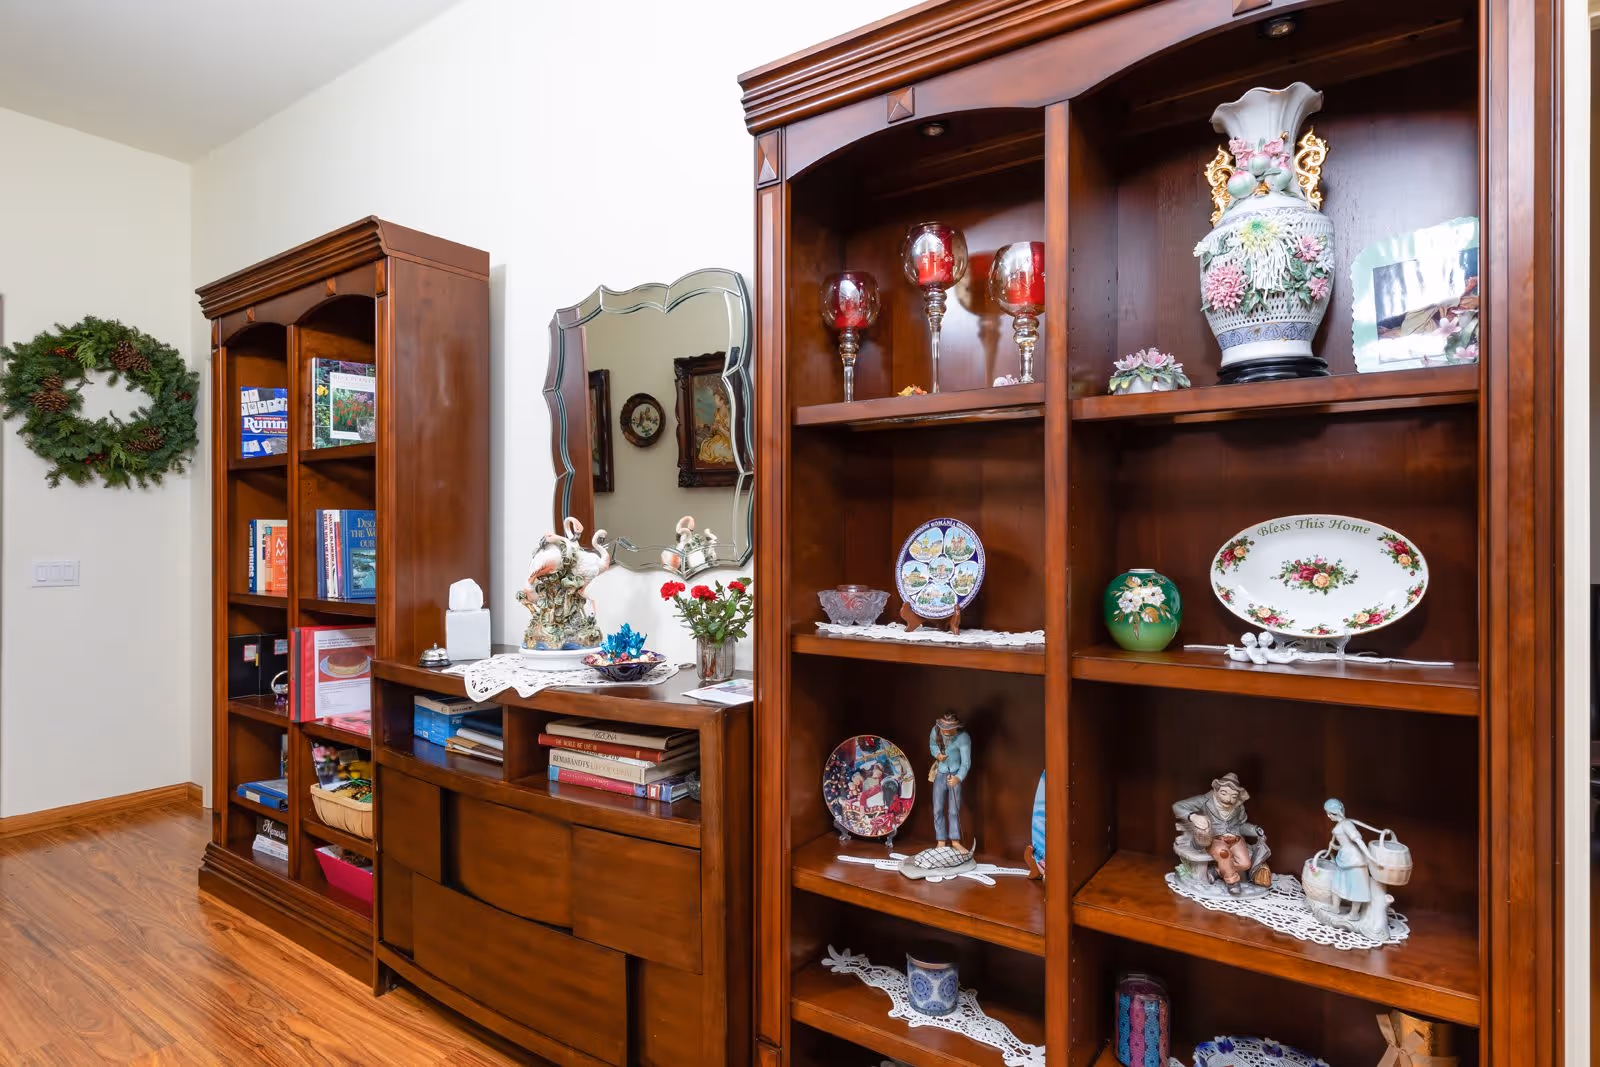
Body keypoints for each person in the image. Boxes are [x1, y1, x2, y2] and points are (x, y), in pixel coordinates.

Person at [1172, 772, 1270, 896]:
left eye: (1234, 796)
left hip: (1235, 839)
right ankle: (1232, 882)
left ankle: (1216, 872)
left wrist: (1255, 830)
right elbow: (1178, 806)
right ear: (1216, 790)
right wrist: (1193, 816)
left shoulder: (1238, 807)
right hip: (1214, 839)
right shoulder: (1205, 800)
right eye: (1224, 793)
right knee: (1224, 853)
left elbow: (1240, 826)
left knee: (1245, 863)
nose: (1229, 799)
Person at [928, 713, 971, 852]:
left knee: (954, 810)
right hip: (940, 774)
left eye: (949, 729)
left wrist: (958, 778)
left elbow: (966, 763)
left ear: (956, 727)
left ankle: (955, 840)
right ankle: (941, 840)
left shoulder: (963, 738)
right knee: (937, 809)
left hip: (955, 774)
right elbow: (933, 745)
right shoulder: (935, 731)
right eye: (943, 728)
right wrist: (937, 754)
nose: (945, 731)